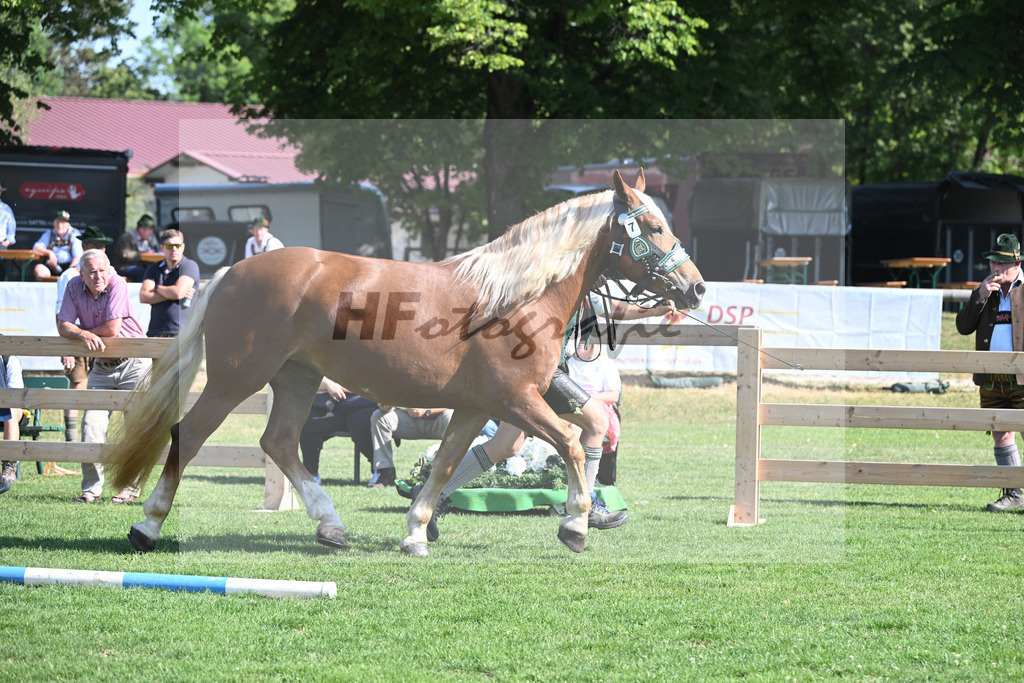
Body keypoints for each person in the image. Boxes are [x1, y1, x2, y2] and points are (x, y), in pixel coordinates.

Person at [415, 294, 674, 540]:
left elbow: (613, 308)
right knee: (597, 421)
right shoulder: (566, 276)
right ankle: (588, 501)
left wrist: (653, 310)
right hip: (541, 374)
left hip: (532, 374)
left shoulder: (585, 284)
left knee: (506, 445)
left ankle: (432, 495)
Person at [57, 249, 151, 504]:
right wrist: (82, 335)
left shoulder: (118, 283)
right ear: (82, 274)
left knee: (134, 428)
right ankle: (92, 489)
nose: (98, 276)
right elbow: (62, 324)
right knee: (91, 427)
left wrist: (81, 331)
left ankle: (130, 489)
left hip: (134, 363)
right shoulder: (73, 286)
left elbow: (112, 329)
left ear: (109, 270)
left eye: (102, 271)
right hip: (102, 366)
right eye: (92, 272)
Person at [956, 233, 1024, 512]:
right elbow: (963, 327)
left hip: (1022, 377)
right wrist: (980, 297)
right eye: (992, 263)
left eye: (1001, 264)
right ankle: (1014, 493)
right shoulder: (986, 291)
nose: (994, 269)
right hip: (991, 377)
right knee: (1001, 433)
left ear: (1017, 263)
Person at [55, 225, 114, 446]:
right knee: (77, 382)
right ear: (84, 246)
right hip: (77, 336)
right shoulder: (70, 275)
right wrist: (66, 347)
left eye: (103, 245)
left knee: (100, 385)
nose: (101, 249)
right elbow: (61, 316)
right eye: (96, 245)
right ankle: (71, 440)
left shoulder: (110, 272)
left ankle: (93, 439)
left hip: (101, 336)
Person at [299, 378, 377, 484]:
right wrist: (327, 384)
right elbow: (309, 380)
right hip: (331, 405)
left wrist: (339, 387)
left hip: (362, 405)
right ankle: (311, 474)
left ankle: (380, 471)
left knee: (361, 424)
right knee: (309, 422)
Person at [567, 338, 622, 483]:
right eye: (578, 338)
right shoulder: (564, 364)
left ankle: (579, 476)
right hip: (567, 405)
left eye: (585, 339)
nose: (581, 342)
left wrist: (585, 399)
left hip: (596, 405)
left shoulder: (603, 364)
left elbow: (613, 395)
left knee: (575, 426)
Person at [370, 405, 453, 489]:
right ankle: (387, 473)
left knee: (452, 416)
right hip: (410, 421)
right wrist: (387, 405)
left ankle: (451, 473)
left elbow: (454, 401)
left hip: (440, 420)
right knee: (379, 416)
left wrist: (427, 411)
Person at [139, 229, 199, 338]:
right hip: (156, 332)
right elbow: (144, 296)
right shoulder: (153, 268)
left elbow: (178, 293)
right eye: (170, 246)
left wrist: (156, 288)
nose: (174, 249)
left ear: (183, 247)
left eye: (177, 245)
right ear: (162, 247)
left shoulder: (189, 265)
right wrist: (172, 292)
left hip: (181, 334)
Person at [31, 210, 82, 280]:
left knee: (74, 272)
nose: (60, 225)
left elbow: (77, 257)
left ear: (68, 223)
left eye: (63, 222)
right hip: (53, 267)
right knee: (39, 269)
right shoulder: (49, 233)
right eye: (58, 222)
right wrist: (49, 253)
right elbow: (36, 247)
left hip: (69, 267)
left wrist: (68, 272)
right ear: (54, 222)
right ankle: (45, 289)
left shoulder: (75, 234)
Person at [0, 347, 23, 495]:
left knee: (11, 409)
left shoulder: (10, 359)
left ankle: (9, 465)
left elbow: (15, 395)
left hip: (9, 405)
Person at [111, 214, 159, 282]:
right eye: (149, 230)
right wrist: (143, 254)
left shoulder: (147, 240)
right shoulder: (127, 237)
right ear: (141, 229)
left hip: (140, 266)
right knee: (141, 271)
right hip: (124, 268)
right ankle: (143, 291)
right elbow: (125, 254)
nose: (151, 233)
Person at [0, 179, 15, 249]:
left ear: (0, 192)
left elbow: (11, 232)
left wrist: (7, 242)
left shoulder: (6, 209)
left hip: (1, 245)